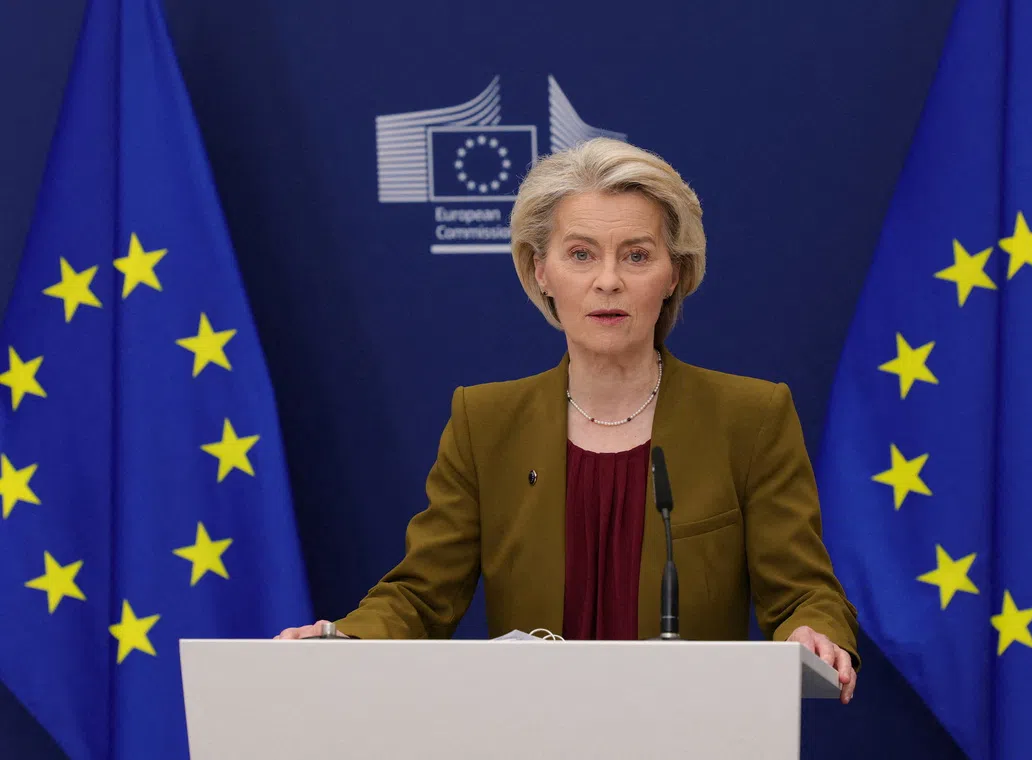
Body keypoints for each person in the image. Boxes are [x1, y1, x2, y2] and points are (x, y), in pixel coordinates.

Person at [276, 137, 860, 704]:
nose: (608, 280)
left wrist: (814, 631)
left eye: (637, 255)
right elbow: (422, 594)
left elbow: (803, 592)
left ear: (674, 273)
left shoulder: (750, 418)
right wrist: (347, 638)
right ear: (541, 272)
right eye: (581, 254)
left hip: (692, 733)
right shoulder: (485, 422)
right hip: (529, 735)